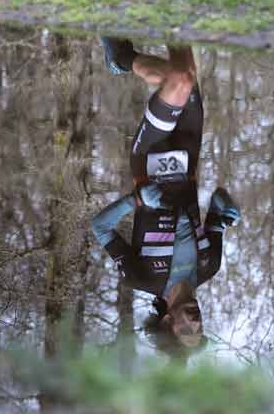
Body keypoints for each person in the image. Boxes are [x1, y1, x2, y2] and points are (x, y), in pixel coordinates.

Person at [91, 38, 241, 350]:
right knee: (183, 70)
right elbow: (218, 203)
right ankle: (124, 56)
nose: (197, 322)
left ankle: (125, 58)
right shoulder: (208, 266)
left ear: (167, 323)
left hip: (149, 159)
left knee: (180, 81)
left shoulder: (141, 277)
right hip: (188, 157)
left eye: (188, 330)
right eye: (200, 329)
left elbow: (100, 226)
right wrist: (227, 209)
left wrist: (137, 200)